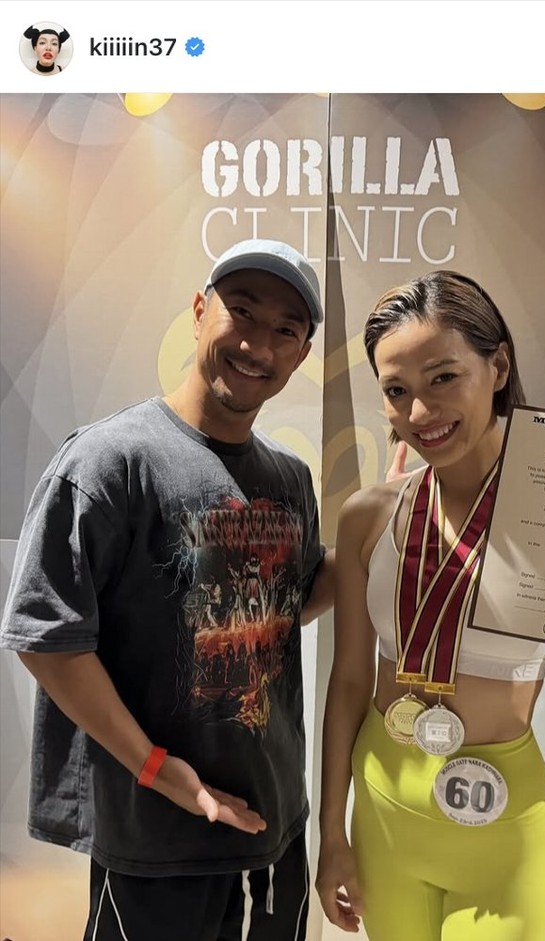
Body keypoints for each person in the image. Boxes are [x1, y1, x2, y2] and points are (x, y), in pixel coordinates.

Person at [0, 239, 335, 941]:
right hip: (156, 844)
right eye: (242, 312)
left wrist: (386, 527)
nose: (258, 345)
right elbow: (48, 639)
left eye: (285, 330)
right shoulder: (109, 460)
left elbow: (289, 602)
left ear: (302, 353)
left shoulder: (290, 477)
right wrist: (161, 771)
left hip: (275, 832)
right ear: (199, 310)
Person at [316, 270, 545, 941]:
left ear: (499, 367)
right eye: (397, 390)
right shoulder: (368, 517)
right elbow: (348, 683)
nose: (420, 412)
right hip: (383, 816)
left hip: (506, 840)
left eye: (443, 377)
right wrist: (331, 834)